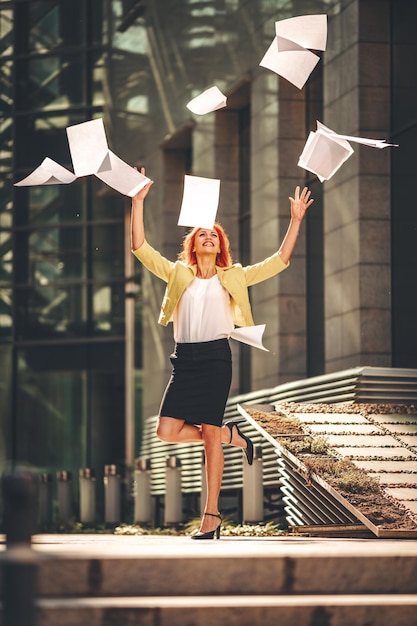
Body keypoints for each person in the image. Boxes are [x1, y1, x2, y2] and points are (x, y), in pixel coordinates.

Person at [131, 169, 313, 539]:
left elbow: (278, 260)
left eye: (214, 235)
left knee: (209, 436)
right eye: (203, 235)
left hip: (216, 359)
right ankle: (232, 435)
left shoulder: (234, 276)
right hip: (184, 361)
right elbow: (140, 248)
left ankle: (211, 517)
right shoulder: (177, 273)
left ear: (220, 245)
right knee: (166, 431)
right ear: (194, 245)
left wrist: (295, 221)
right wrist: (137, 202)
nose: (209, 238)